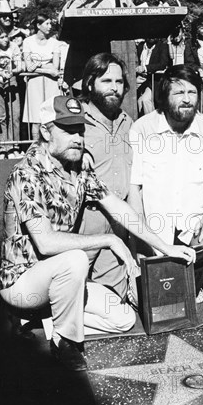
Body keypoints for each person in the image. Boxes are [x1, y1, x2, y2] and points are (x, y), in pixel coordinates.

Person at [0, 95, 195, 371]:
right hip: (22, 282)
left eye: (80, 129)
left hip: (60, 281)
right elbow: (45, 242)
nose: (78, 137)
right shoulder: (26, 174)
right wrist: (109, 239)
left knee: (123, 319)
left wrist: (166, 247)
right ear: (45, 131)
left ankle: (39, 318)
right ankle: (64, 342)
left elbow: (120, 209)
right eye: (68, 129)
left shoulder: (77, 170)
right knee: (75, 258)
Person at [129, 65, 203, 303]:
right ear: (164, 96)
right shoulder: (143, 128)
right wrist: (140, 233)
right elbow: (134, 187)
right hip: (154, 224)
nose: (186, 100)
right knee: (148, 296)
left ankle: (192, 282)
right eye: (179, 93)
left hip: (193, 221)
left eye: (192, 93)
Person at [78, 52, 135, 300]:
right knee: (68, 286)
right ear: (90, 83)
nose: (114, 88)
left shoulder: (128, 122)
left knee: (113, 300)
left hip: (117, 221)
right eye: (106, 81)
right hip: (82, 221)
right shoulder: (74, 119)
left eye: (119, 82)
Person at [0, 23, 23, 159]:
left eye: (6, 36)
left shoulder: (14, 47)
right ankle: (3, 147)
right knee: (2, 116)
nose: (5, 39)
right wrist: (0, 72)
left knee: (15, 115)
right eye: (1, 37)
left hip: (12, 82)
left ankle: (15, 146)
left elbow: (20, 65)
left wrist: (12, 71)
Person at [22, 14, 62, 139]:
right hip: (35, 83)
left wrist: (38, 66)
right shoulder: (28, 41)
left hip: (51, 83)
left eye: (51, 23)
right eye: (47, 24)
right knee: (36, 118)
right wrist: (47, 68)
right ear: (38, 26)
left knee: (52, 116)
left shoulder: (54, 42)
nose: (50, 27)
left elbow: (55, 66)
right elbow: (29, 67)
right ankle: (35, 147)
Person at [135, 38, 171, 116]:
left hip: (155, 81)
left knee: (145, 100)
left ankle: (153, 123)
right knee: (139, 102)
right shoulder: (140, 46)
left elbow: (162, 64)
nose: (152, 37)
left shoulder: (162, 46)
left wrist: (145, 68)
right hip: (141, 79)